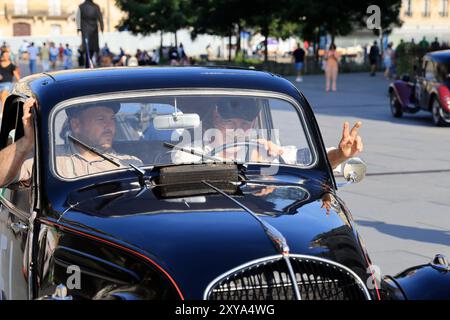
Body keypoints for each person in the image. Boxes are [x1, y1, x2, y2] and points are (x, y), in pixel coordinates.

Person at [172, 98, 363, 171]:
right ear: (215, 118)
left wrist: (339, 155)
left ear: (254, 123)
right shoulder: (190, 151)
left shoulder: (266, 151)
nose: (237, 131)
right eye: (229, 122)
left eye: (245, 124)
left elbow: (307, 159)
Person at [0, 98, 142, 187]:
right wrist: (27, 141)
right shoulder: (49, 160)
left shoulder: (132, 165)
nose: (110, 126)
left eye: (112, 119)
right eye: (100, 119)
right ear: (76, 125)